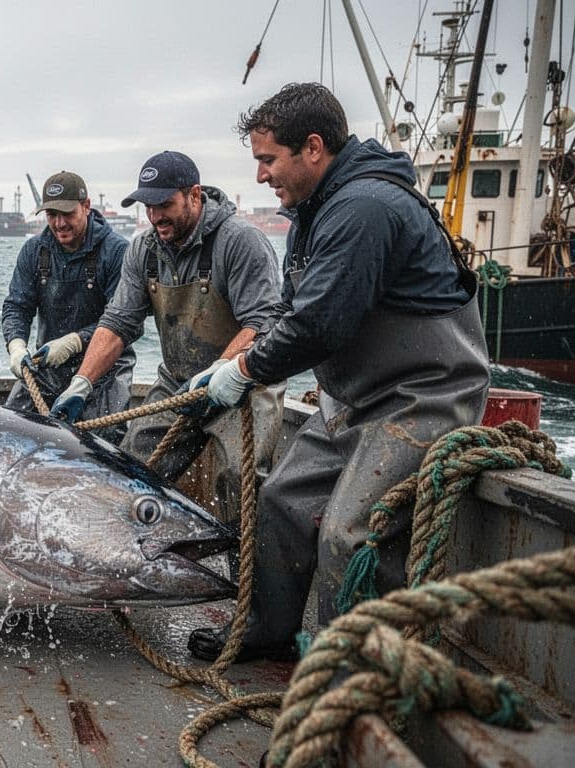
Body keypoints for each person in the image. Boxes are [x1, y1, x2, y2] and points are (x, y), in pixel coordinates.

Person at [185, 82, 489, 662]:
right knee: (279, 501)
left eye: (268, 160)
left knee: (349, 537)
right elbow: (288, 309)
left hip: (422, 397)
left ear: (314, 149)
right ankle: (268, 630)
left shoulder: (365, 207)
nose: (260, 176)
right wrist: (229, 364)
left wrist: (245, 371)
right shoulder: (314, 209)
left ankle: (342, 683)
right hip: (353, 400)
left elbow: (319, 325)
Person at [51, 151, 284, 519]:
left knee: (239, 482)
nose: (155, 215)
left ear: (194, 194)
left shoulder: (240, 242)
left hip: (244, 386)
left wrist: (224, 367)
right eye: (148, 206)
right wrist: (82, 382)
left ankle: (239, 569)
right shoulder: (144, 251)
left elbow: (265, 321)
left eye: (164, 203)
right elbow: (117, 323)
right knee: (127, 473)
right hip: (178, 385)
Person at [1, 171, 132, 442]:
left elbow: (123, 321)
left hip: (107, 370)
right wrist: (16, 345)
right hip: (48, 366)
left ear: (86, 206)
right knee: (11, 431)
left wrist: (74, 342)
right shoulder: (34, 251)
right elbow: (17, 306)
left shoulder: (117, 251)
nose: (59, 223)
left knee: (105, 440)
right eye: (51, 215)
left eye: (67, 214)